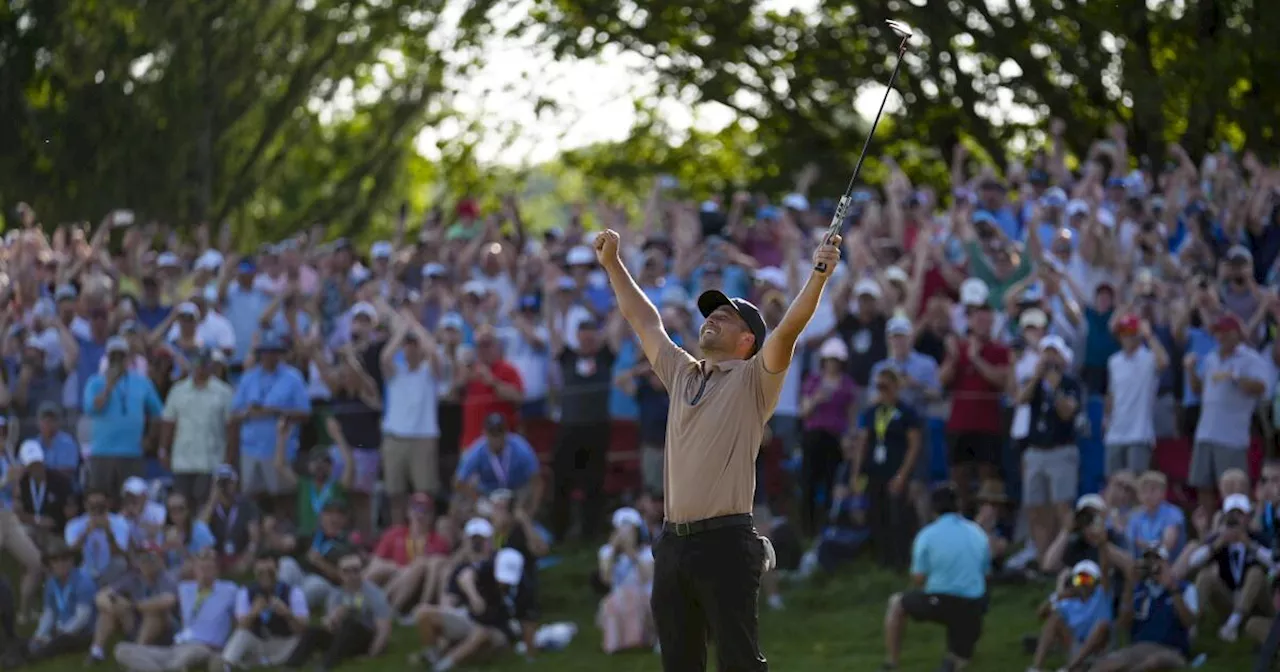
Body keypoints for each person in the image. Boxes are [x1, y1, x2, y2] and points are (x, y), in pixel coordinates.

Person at [596, 224, 837, 671]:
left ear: (747, 341)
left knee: (739, 664)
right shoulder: (683, 372)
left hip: (726, 543)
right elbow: (645, 320)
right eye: (711, 313)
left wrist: (818, 277)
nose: (711, 318)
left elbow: (786, 334)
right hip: (671, 544)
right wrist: (614, 265)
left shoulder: (754, 380)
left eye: (725, 316)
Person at [881, 484, 989, 672]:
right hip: (973, 604)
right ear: (959, 506)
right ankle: (954, 660)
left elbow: (918, 578)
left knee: (896, 603)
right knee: (961, 658)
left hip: (939, 600)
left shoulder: (926, 535)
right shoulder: (977, 532)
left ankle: (891, 662)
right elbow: (985, 572)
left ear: (932, 510)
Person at [1187, 314, 1269, 515]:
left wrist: (1236, 378)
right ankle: (1207, 530)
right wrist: (1190, 371)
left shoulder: (1250, 359)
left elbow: (1261, 387)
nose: (1220, 337)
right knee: (1203, 485)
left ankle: (1240, 526)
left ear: (1235, 334)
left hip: (1231, 437)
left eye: (1224, 332)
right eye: (1217, 333)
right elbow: (1198, 389)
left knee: (1235, 489)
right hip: (1205, 433)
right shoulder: (1211, 358)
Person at [112, 550, 238, 671]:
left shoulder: (229, 590)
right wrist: (132, 605)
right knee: (122, 650)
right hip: (177, 647)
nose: (204, 573)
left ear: (216, 571)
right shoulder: (185, 588)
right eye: (200, 568)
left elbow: (242, 618)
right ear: (194, 570)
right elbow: (165, 598)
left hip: (204, 647)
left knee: (184, 659)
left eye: (208, 568)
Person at [1017, 335, 1082, 567]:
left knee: (1061, 506)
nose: (1049, 358)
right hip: (1036, 451)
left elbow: (1068, 412)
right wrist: (1037, 377)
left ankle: (1062, 557)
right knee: (1036, 507)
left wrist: (1055, 390)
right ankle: (1043, 557)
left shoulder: (1070, 383)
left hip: (1060, 451)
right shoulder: (1034, 383)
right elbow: (1020, 399)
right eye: (1046, 353)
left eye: (1054, 353)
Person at [410, 542, 526, 671]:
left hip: (499, 630)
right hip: (472, 619)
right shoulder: (487, 568)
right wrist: (474, 597)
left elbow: (525, 620)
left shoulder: (524, 587)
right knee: (423, 612)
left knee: (481, 633)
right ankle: (433, 656)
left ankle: (442, 666)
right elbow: (465, 577)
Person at [848, 367, 922, 570]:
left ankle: (901, 560)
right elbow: (863, 443)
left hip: (895, 470)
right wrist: (856, 474)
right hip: (874, 471)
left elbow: (914, 445)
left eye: (885, 386)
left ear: (895, 386)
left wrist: (903, 475)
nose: (881, 391)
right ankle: (881, 559)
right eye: (878, 386)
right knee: (876, 514)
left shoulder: (906, 412)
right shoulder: (872, 412)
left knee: (898, 516)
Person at [378, 305, 442, 525]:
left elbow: (433, 352)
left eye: (414, 344)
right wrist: (402, 332)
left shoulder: (430, 374)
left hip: (423, 438)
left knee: (424, 494)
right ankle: (398, 536)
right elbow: (385, 357)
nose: (411, 348)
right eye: (408, 345)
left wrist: (415, 325)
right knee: (395, 494)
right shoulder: (396, 372)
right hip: (395, 437)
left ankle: (424, 539)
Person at [82, 336, 164, 500]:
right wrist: (108, 386)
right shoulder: (95, 382)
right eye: (113, 357)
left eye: (121, 356)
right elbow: (92, 408)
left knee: (132, 501)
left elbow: (158, 413)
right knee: (101, 499)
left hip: (132, 453)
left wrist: (150, 438)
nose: (117, 361)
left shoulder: (142, 382)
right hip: (102, 452)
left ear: (127, 358)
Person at [1092, 547, 1198, 672]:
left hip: (1172, 649)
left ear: (1167, 563)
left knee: (1153, 663)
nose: (1153, 564)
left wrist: (1172, 588)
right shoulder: (1138, 590)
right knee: (1107, 663)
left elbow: (1189, 622)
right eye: (1149, 560)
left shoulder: (1184, 588)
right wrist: (1130, 584)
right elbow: (1124, 624)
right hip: (1139, 647)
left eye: (1157, 560)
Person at [1186, 494, 1274, 642]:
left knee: (1255, 573)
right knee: (1205, 576)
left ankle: (1233, 623)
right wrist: (1217, 544)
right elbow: (1193, 562)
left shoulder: (1257, 537)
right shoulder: (1219, 540)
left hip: (1257, 601)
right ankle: (1192, 625)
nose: (1235, 521)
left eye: (1240, 515)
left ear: (1247, 518)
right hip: (1229, 598)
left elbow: (1274, 562)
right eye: (1231, 516)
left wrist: (1249, 544)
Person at [283, 551, 392, 670]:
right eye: (346, 571)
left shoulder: (374, 594)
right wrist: (334, 618)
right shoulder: (336, 594)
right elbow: (329, 627)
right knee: (312, 631)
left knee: (349, 624)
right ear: (340, 573)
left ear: (362, 571)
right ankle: (291, 665)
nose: (351, 575)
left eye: (355, 570)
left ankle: (326, 665)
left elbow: (384, 630)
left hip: (365, 639)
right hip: (341, 639)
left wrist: (371, 655)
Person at [159, 348, 233, 507]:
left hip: (210, 462)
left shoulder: (224, 392)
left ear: (210, 365)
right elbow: (168, 422)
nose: (201, 367)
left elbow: (231, 429)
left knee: (205, 507)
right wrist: (163, 448)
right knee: (181, 506)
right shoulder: (178, 390)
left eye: (205, 363)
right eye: (197, 363)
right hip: (182, 461)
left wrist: (228, 459)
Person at [216, 552, 309, 669]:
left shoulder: (293, 592)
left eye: (269, 572)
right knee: (242, 634)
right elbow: (240, 626)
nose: (265, 577)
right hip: (258, 642)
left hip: (283, 642)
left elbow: (302, 629)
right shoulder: (246, 592)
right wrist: (253, 612)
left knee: (298, 640)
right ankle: (225, 664)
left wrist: (287, 614)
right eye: (261, 572)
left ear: (277, 569)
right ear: (255, 571)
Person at [88, 544, 178, 665]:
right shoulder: (133, 577)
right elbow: (101, 596)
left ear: (160, 560)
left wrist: (133, 606)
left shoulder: (167, 578)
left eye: (150, 558)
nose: (145, 562)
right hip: (136, 624)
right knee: (109, 610)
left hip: (164, 632)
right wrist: (115, 604)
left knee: (153, 613)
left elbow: (167, 601)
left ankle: (137, 656)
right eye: (142, 558)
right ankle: (96, 652)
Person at [1103, 314, 1168, 476]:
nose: (1127, 338)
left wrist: (1149, 335)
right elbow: (1112, 393)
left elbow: (1164, 362)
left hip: (1139, 433)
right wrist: (1106, 417)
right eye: (1123, 333)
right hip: (1115, 433)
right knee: (1114, 482)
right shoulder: (1114, 361)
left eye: (1131, 333)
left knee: (1136, 483)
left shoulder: (1148, 358)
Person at [365, 493, 451, 613]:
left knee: (421, 566)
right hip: (394, 579)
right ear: (408, 512)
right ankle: (355, 598)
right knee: (379, 569)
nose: (420, 514)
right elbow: (375, 564)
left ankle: (390, 611)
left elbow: (436, 571)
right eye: (416, 508)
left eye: (425, 510)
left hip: (420, 586)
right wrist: (397, 568)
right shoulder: (394, 534)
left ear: (432, 516)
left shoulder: (438, 541)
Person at [1027, 560, 1113, 672]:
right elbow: (1041, 614)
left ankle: (1070, 668)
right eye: (1079, 579)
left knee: (1103, 625)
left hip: (1098, 649)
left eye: (1087, 579)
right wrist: (1057, 596)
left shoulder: (1101, 595)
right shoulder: (1068, 603)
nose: (1083, 583)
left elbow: (1106, 571)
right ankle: (1036, 668)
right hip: (1076, 647)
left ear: (1095, 581)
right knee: (1055, 619)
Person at [452, 414, 542, 511]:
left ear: (506, 432)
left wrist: (532, 510)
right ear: (485, 433)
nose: (496, 439)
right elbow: (458, 481)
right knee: (458, 500)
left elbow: (537, 480)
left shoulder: (521, 448)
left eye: (499, 433)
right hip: (488, 493)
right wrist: (478, 499)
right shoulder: (477, 450)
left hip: (517, 490)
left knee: (525, 500)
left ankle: (524, 520)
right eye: (492, 434)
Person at [27, 541, 97, 662]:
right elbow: (49, 613)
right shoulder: (51, 583)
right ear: (49, 564)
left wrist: (61, 634)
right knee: (36, 640)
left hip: (83, 632)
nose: (61, 564)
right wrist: (39, 635)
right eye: (55, 560)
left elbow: (82, 617)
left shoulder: (83, 581)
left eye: (65, 559)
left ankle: (35, 654)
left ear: (72, 561)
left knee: (55, 644)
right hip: (61, 628)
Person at [597, 507, 655, 653]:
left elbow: (647, 578)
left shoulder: (647, 552)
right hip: (619, 595)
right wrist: (612, 551)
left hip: (643, 594)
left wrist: (631, 553)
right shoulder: (606, 552)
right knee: (611, 604)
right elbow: (606, 580)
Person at [199, 464, 262, 574]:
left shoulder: (246, 505)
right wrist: (213, 500)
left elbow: (254, 538)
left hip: (240, 552)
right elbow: (199, 530)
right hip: (215, 556)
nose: (225, 486)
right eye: (221, 483)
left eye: (228, 482)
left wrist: (247, 557)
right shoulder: (208, 507)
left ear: (235, 483)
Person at [64, 487, 131, 583]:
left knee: (120, 563)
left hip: (110, 571)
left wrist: (108, 531)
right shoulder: (74, 524)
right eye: (92, 506)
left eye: (100, 506)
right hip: (84, 571)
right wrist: (86, 532)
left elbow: (120, 553)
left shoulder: (119, 522)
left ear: (108, 503)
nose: (97, 510)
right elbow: (71, 552)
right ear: (85, 505)